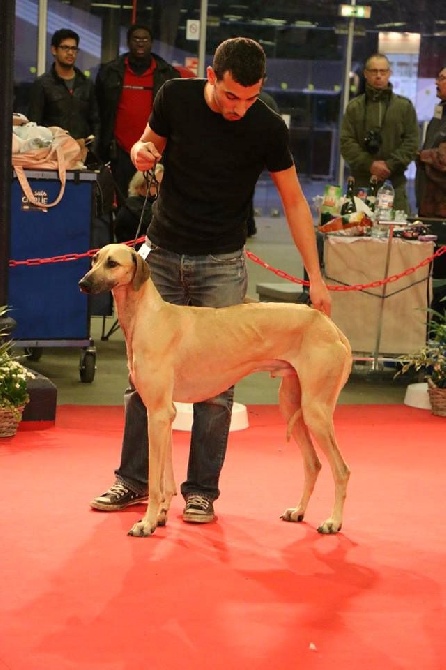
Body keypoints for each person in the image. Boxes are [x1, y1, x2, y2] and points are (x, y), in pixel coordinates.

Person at [90, 37, 331, 524]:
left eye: (251, 96)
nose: (240, 107)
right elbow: (147, 145)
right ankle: (133, 482)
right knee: (144, 381)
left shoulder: (265, 125)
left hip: (221, 261)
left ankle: (200, 491)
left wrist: (317, 278)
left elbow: (294, 202)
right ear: (214, 77)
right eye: (231, 96)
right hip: (159, 257)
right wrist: (140, 152)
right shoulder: (175, 96)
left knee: (218, 388)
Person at [95, 23, 180, 207]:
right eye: (136, 39)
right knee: (122, 205)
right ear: (128, 42)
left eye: (145, 39)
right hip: (120, 152)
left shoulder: (167, 74)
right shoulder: (110, 72)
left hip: (154, 151)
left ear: (151, 43)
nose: (140, 43)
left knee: (155, 205)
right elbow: (99, 113)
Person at [340, 53, 419, 213]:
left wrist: (389, 165)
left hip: (394, 184)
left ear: (389, 73)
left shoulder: (404, 107)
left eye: (383, 71)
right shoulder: (354, 107)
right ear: (366, 74)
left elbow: (412, 143)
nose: (378, 76)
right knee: (358, 234)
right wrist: (370, 164)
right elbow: (346, 143)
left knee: (396, 234)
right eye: (374, 71)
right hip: (362, 184)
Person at [27, 29, 100, 149]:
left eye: (74, 49)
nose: (70, 53)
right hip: (52, 152)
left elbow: (95, 121)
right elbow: (34, 125)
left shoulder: (87, 85)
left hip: (81, 152)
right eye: (65, 48)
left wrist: (92, 148)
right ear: (54, 50)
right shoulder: (43, 84)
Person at [246, 89, 281, 236]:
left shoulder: (264, 101)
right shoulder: (267, 101)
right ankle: (248, 225)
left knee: (242, 191)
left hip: (246, 151)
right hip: (256, 153)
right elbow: (277, 129)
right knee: (247, 190)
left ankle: (247, 225)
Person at [416, 65, 446, 218]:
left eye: (442, 79)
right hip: (428, 202)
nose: (436, 83)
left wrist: (424, 156)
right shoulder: (440, 109)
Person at [114, 165, 164, 244]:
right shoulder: (130, 211)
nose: (160, 189)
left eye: (163, 185)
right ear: (140, 188)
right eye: (154, 185)